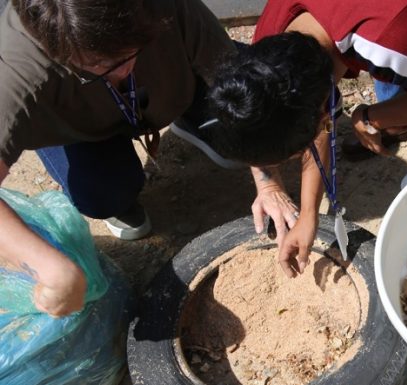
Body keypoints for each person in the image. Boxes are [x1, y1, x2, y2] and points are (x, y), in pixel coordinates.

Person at [0, 0, 298, 316]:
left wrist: (269, 184)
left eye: (130, 53)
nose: (125, 68)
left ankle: (185, 111)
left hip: (165, 88)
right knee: (104, 195)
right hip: (78, 126)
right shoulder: (15, 70)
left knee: (268, 113)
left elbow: (234, 79)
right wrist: (54, 271)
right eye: (104, 63)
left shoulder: (162, 7)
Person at [206, 0, 407, 277]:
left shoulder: (391, 39)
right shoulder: (270, 45)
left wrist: (369, 117)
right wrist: (294, 203)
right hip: (394, 27)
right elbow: (307, 118)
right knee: (400, 82)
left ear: (325, 114)